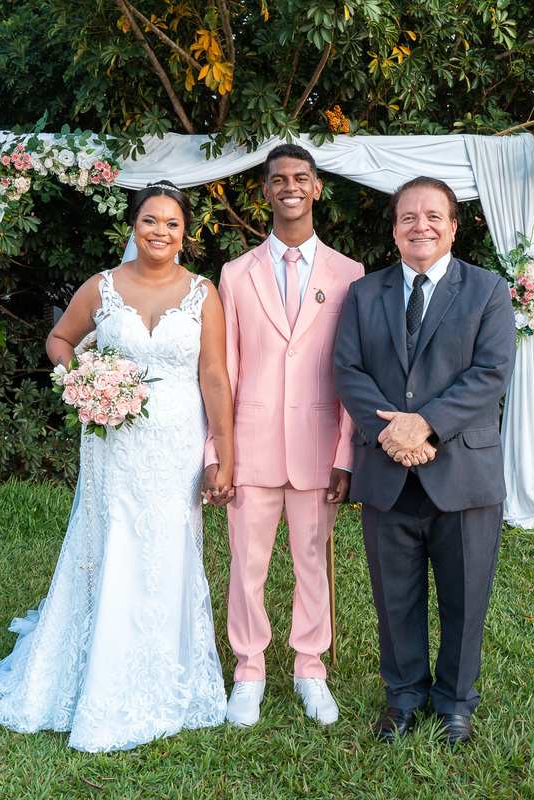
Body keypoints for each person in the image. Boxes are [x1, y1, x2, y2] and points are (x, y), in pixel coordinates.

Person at [0, 181, 234, 752]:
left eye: (171, 223)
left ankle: (165, 666)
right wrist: (83, 381)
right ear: (132, 227)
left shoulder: (203, 293)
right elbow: (60, 339)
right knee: (113, 542)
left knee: (168, 549)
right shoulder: (101, 287)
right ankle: (102, 665)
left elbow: (214, 377)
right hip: (114, 443)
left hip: (176, 447)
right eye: (150, 220)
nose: (160, 231)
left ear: (185, 233)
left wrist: (225, 456)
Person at [332, 176, 515, 746]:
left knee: (465, 598)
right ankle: (404, 698)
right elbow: (347, 370)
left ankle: (456, 703)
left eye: (434, 216)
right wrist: (392, 433)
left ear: (454, 228)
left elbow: (490, 373)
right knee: (395, 600)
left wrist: (424, 423)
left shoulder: (488, 290)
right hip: (387, 471)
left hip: (462, 473)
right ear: (394, 230)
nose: (421, 226)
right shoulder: (365, 293)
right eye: (408, 216)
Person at [209, 144, 363, 727]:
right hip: (250, 448)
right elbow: (223, 371)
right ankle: (249, 670)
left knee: (311, 564)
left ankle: (310, 668)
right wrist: (217, 453)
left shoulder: (349, 274)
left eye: (301, 177)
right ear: (266, 191)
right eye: (279, 179)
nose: (290, 186)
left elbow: (353, 373)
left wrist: (346, 454)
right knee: (245, 566)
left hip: (318, 448)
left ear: (317, 187)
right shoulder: (235, 273)